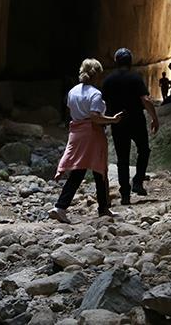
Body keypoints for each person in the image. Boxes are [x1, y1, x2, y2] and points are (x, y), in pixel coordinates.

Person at [48, 59, 123, 224]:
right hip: (92, 134)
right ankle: (103, 208)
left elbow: (71, 110)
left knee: (77, 172)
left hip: (77, 132)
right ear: (96, 75)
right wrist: (113, 119)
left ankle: (60, 207)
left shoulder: (73, 91)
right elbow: (95, 117)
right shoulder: (95, 94)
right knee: (100, 171)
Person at [102, 48, 160, 205]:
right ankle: (138, 182)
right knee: (144, 150)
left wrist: (104, 121)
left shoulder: (108, 80)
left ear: (116, 62)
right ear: (130, 62)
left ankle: (125, 195)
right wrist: (154, 118)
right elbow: (145, 100)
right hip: (136, 121)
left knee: (122, 159)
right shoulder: (135, 78)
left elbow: (103, 103)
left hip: (118, 122)